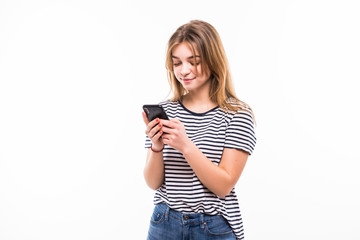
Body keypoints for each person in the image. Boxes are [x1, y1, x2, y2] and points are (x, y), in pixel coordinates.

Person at [142, 20, 257, 240]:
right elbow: (152, 182)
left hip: (212, 227)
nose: (184, 71)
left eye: (193, 62)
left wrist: (186, 146)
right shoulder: (165, 110)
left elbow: (223, 186)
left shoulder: (237, 114)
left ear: (213, 61)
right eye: (177, 63)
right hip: (164, 222)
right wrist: (157, 146)